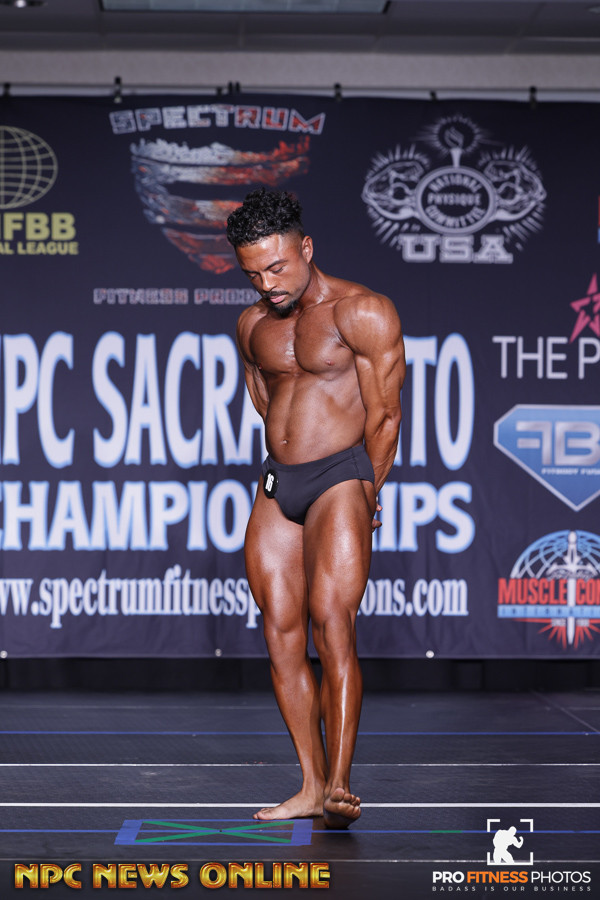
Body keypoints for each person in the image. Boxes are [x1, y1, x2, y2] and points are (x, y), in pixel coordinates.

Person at [226, 188, 405, 829]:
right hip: (280, 483)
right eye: (253, 273)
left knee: (333, 625)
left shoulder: (363, 312)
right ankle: (308, 784)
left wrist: (367, 490)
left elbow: (385, 417)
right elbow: (264, 398)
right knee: (280, 632)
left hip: (339, 477)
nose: (267, 284)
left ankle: (339, 786)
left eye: (277, 267)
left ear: (306, 247)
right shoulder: (252, 325)